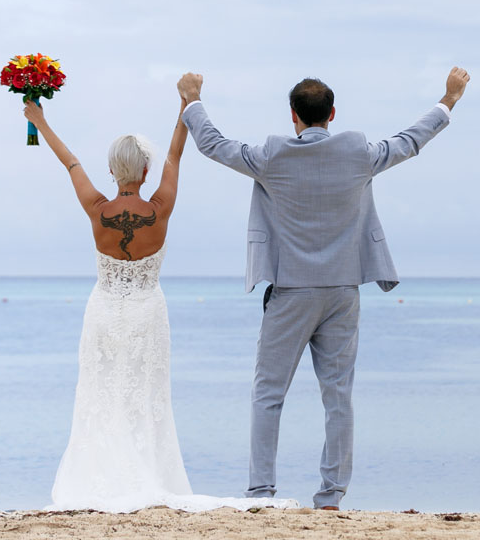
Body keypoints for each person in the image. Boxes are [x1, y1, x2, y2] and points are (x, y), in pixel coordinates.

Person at [176, 67, 471, 510]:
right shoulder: (356, 152)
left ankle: (261, 493)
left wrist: (193, 100)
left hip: (292, 290)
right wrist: (448, 100)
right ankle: (330, 496)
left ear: (292, 115)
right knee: (337, 398)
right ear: (332, 114)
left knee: (268, 394)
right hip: (342, 290)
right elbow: (410, 141)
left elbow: (213, 145)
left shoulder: (272, 155)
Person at [23, 97, 297, 513]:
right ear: (145, 171)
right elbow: (175, 153)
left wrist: (38, 121)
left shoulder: (98, 210)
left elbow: (70, 162)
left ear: (113, 171)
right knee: (146, 395)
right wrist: (186, 107)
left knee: (100, 393)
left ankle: (103, 475)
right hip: (148, 312)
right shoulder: (159, 208)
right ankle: (145, 470)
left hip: (104, 312)